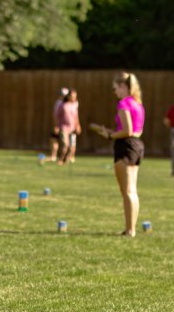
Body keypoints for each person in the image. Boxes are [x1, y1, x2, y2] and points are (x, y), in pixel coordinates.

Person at [90, 72, 145, 237]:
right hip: (136, 145)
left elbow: (126, 131)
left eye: (115, 88)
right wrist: (114, 132)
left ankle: (130, 230)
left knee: (127, 192)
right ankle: (131, 228)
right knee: (132, 191)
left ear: (123, 87)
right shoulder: (138, 104)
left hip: (125, 147)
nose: (114, 92)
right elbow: (136, 130)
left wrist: (110, 135)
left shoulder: (123, 104)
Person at [56, 88, 81, 165]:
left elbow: (76, 116)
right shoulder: (62, 105)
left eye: (75, 96)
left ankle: (66, 160)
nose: (74, 98)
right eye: (72, 96)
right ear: (68, 96)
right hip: (64, 127)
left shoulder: (75, 104)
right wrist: (56, 126)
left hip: (73, 128)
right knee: (65, 144)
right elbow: (57, 116)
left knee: (72, 146)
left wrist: (78, 125)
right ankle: (60, 159)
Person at [48, 87, 69, 161]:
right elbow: (55, 115)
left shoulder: (67, 103)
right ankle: (53, 156)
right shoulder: (59, 103)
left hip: (66, 127)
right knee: (54, 139)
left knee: (66, 143)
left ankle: (63, 158)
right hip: (59, 125)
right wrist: (56, 125)